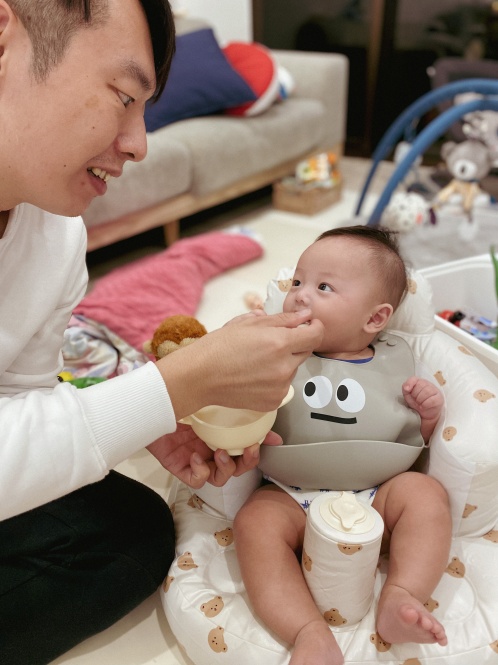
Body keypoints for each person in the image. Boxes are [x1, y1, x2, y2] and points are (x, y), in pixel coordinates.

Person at [0, 1, 324, 663]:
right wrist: (175, 385)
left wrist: (144, 413)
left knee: (137, 529)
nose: (139, 143)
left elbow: (18, 398)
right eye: (124, 96)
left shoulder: (57, 235)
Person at [234, 226, 452, 665]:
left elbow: (418, 440)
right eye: (298, 281)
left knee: (426, 494)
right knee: (254, 523)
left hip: (378, 494)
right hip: (291, 494)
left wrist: (427, 414)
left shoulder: (395, 362)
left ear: (375, 319)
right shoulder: (279, 351)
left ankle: (401, 596)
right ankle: (307, 631)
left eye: (324, 287)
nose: (299, 294)